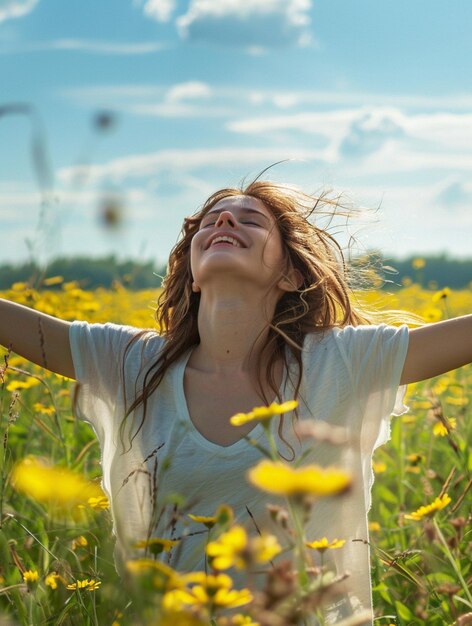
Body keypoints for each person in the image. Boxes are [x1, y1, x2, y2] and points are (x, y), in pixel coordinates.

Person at [0, 180, 471, 625]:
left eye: (250, 220)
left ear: (289, 274)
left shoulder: (341, 362)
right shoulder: (131, 362)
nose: (224, 222)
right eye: (211, 220)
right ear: (194, 277)